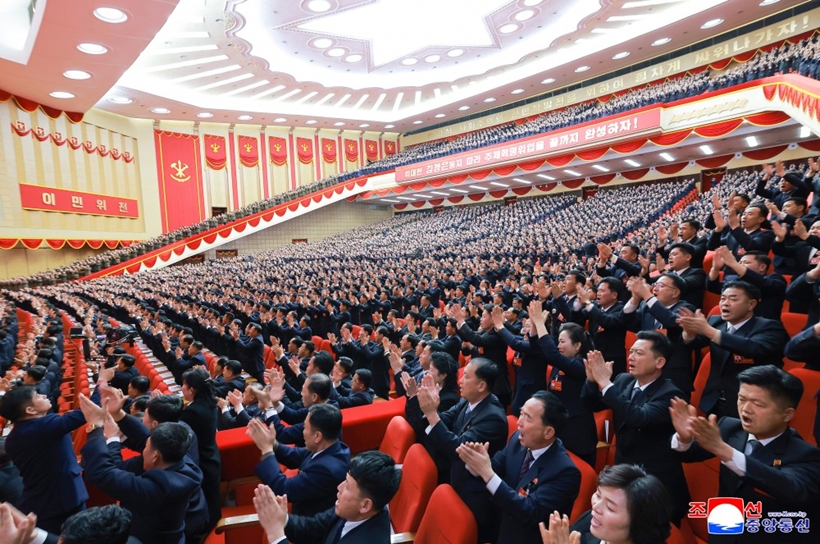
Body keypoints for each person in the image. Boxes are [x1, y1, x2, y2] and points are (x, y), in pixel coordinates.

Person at [671, 365, 820, 543]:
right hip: (723, 532)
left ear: (787, 414)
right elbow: (689, 454)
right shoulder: (728, 427)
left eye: (758, 404)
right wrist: (684, 438)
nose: (746, 409)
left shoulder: (806, 455)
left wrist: (724, 451)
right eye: (741, 399)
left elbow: (789, 487)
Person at [581, 331, 689, 523]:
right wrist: (591, 380)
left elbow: (638, 417)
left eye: (639, 353)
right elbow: (593, 404)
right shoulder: (624, 380)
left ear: (659, 362)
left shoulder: (671, 394)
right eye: (631, 351)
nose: (631, 357)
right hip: (624, 472)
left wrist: (605, 382)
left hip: (654, 483)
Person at [457, 391, 581, 544]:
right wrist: (475, 464)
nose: (519, 422)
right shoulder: (517, 439)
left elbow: (529, 511)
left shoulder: (565, 472)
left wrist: (486, 472)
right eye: (521, 413)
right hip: (501, 529)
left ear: (548, 432)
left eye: (527, 417)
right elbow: (494, 468)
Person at [79, 397, 203, 544]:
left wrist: (95, 427)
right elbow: (145, 437)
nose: (143, 449)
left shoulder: (157, 488)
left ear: (155, 456)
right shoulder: (179, 458)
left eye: (146, 448)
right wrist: (118, 414)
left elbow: (102, 474)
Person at [414, 358, 508, 543]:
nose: (460, 381)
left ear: (481, 386)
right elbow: (444, 420)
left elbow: (458, 449)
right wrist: (431, 408)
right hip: (457, 482)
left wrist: (432, 414)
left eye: (466, 376)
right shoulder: (466, 401)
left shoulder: (493, 418)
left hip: (475, 497)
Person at [678, 281, 789, 418]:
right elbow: (696, 343)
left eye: (733, 299)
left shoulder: (770, 327)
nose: (725, 303)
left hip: (752, 403)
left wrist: (708, 331)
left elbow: (752, 348)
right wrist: (689, 333)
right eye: (723, 299)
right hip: (714, 399)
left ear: (751, 304)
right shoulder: (715, 321)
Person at [255, 450, 401, 544]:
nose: (339, 487)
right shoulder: (350, 509)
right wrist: (282, 519)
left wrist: (276, 535)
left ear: (365, 505)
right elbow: (312, 527)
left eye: (347, 486)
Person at [0, 385, 87, 533]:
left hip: (41, 501)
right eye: (37, 395)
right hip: (64, 501)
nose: (44, 396)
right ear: (30, 410)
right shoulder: (45, 426)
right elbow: (85, 413)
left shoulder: (12, 438)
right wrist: (102, 382)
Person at [247, 403, 350, 516]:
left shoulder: (326, 470)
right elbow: (293, 455)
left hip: (309, 523)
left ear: (317, 436)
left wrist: (266, 449)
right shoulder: (329, 446)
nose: (303, 432)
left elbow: (282, 488)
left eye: (305, 428)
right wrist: (272, 443)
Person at [529, 300, 597, 468]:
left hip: (577, 434)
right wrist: (534, 326)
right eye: (558, 342)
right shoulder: (561, 361)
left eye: (562, 342)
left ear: (577, 345)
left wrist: (541, 324)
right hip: (558, 427)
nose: (558, 346)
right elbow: (538, 349)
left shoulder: (583, 365)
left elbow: (552, 355)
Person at [538, 464, 673, 544]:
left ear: (639, 522)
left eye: (610, 507)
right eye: (598, 495)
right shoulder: (590, 521)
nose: (595, 507)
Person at [180, 368, 222, 529]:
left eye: (184, 384)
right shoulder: (209, 402)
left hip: (202, 459)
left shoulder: (193, 411)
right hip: (211, 455)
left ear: (192, 390)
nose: (182, 388)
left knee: (207, 501)